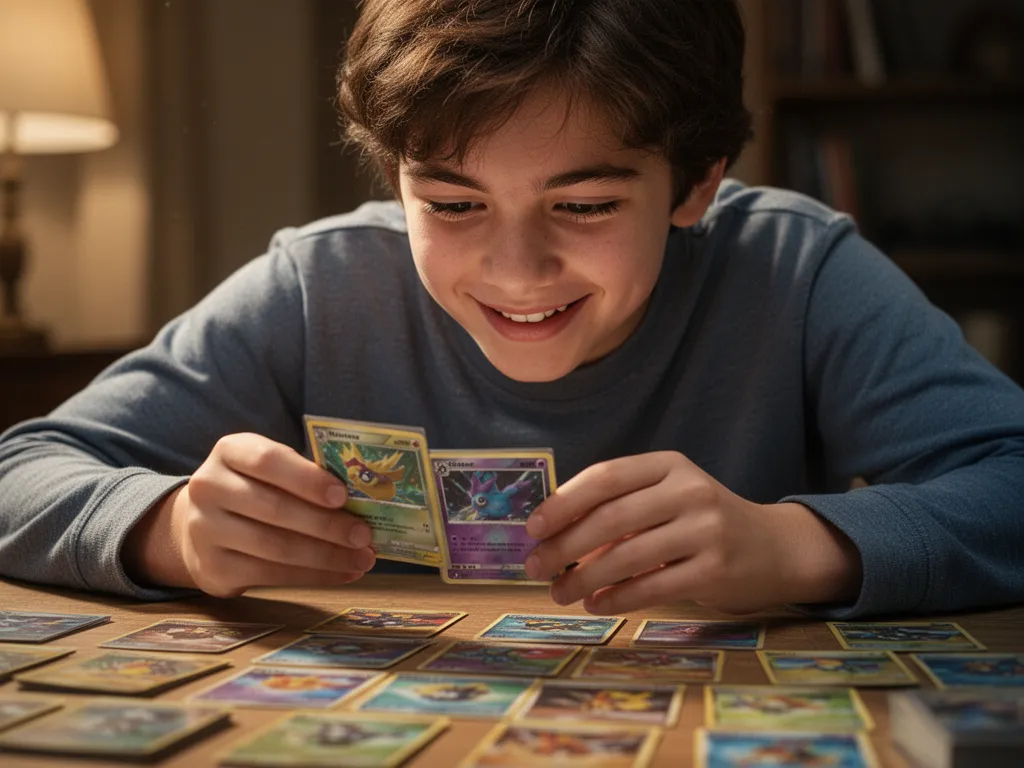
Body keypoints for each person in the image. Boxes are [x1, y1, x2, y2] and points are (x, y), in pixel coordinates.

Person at [1, 0, 1022, 619]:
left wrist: (794, 547)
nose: (516, 268)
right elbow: (20, 472)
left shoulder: (794, 271)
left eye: (581, 204)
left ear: (697, 187)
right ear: (394, 181)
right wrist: (168, 529)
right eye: (450, 203)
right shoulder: (318, 287)